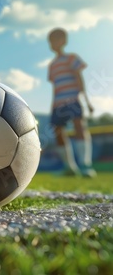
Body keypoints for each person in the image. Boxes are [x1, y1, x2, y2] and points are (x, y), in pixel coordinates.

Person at [47, 27, 96, 178]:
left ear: (64, 41)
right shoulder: (52, 65)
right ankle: (70, 167)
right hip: (58, 103)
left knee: (79, 126)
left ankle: (85, 165)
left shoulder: (71, 58)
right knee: (58, 132)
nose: (53, 44)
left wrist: (86, 101)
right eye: (51, 41)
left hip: (73, 99)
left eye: (56, 40)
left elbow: (78, 77)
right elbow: (55, 87)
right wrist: (52, 105)